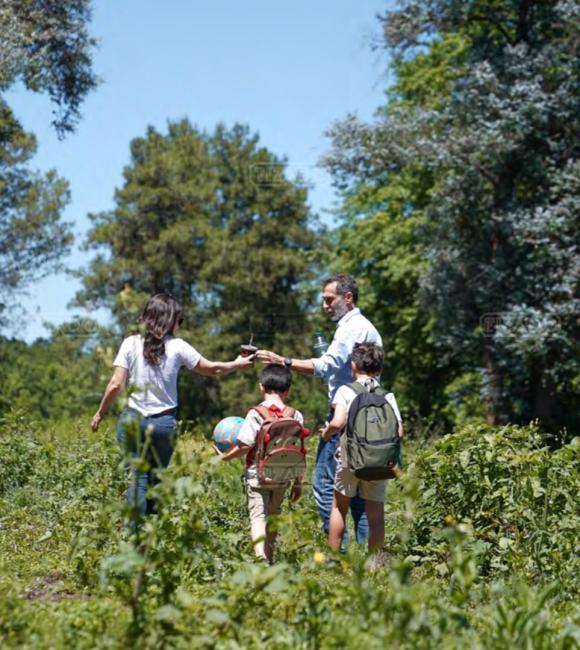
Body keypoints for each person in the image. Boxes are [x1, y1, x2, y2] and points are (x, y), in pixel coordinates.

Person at [90, 293, 254, 515]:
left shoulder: (130, 343)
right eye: (180, 319)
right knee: (155, 480)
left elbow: (114, 384)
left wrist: (100, 413)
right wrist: (236, 364)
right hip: (163, 424)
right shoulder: (178, 347)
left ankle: (135, 537)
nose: (180, 324)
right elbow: (213, 369)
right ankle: (152, 535)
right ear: (169, 320)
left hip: (132, 421)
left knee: (136, 479)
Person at [256, 273, 382, 544]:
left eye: (329, 300)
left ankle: (341, 558)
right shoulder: (366, 327)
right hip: (368, 416)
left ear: (347, 298)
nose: (325, 306)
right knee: (360, 492)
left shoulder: (350, 328)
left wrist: (283, 360)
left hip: (345, 415)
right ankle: (369, 565)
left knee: (325, 487)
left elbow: (326, 366)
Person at [320, 343, 403, 564]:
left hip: (350, 459)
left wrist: (326, 433)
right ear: (380, 370)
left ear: (353, 365)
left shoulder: (345, 391)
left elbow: (337, 422)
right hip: (380, 462)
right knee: (375, 514)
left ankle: (334, 560)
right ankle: (374, 564)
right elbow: (400, 431)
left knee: (339, 507)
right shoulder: (387, 395)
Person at [218, 364, 304, 563]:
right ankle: (270, 559)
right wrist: (298, 482)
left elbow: (245, 445)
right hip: (284, 476)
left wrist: (224, 457)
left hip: (258, 475)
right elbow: (298, 451)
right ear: (288, 391)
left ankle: (260, 560)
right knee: (273, 518)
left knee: (258, 517)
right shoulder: (295, 415)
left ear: (261, 387)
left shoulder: (256, 414)